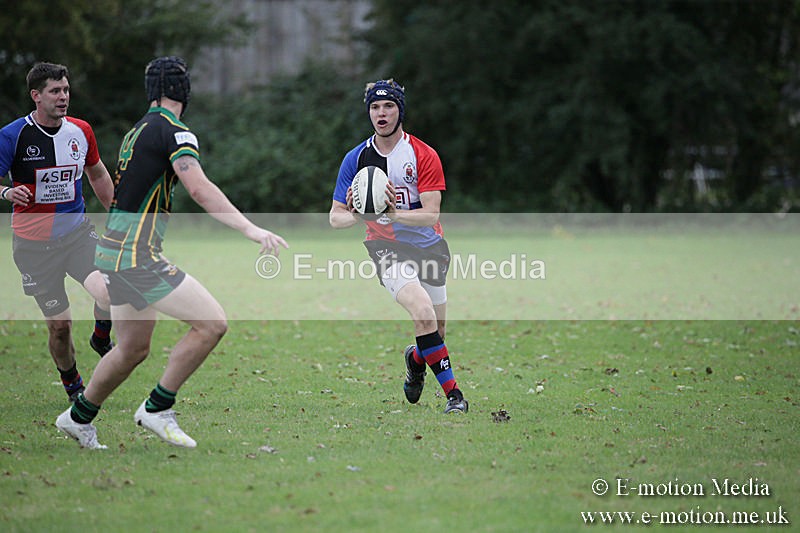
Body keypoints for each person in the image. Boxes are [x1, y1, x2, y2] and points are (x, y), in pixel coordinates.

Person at [56, 56, 288, 449]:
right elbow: (198, 187)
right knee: (212, 323)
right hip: (136, 255)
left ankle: (78, 417)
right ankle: (157, 408)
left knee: (132, 348)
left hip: (115, 252)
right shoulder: (176, 131)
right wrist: (251, 228)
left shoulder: (136, 131)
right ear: (183, 91)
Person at [329, 78, 468, 414]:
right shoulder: (356, 158)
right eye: (375, 107)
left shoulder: (423, 154)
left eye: (389, 106)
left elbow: (431, 212)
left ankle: (415, 359)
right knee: (422, 313)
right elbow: (336, 217)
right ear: (369, 113)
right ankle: (455, 396)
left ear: (399, 111)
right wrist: (362, 214)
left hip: (430, 246)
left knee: (435, 332)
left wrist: (392, 213)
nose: (381, 113)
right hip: (385, 248)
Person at [0, 62, 115, 403]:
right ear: (36, 96)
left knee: (108, 292)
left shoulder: (80, 131)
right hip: (34, 247)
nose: (63, 96)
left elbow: (97, 174)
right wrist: (6, 192)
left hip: (77, 235)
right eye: (55, 91)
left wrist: (120, 217)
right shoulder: (13, 136)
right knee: (60, 328)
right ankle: (73, 385)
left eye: (66, 90)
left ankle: (100, 336)